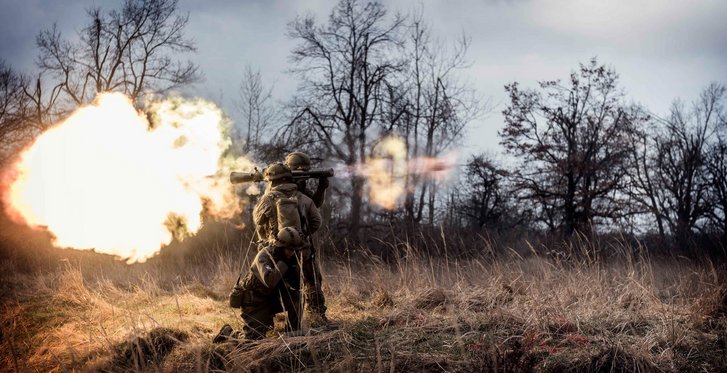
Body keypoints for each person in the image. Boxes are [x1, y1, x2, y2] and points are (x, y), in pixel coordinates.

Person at [214, 227, 306, 342]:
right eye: (289, 249)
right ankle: (229, 333)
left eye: (294, 250)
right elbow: (270, 281)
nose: (291, 253)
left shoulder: (290, 258)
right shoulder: (264, 256)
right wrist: (284, 263)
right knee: (252, 343)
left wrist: (294, 266)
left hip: (272, 298)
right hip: (255, 303)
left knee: (298, 296)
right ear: (280, 246)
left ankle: (293, 334)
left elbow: (297, 285)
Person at [284, 152, 333, 327]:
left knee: (313, 279)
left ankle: (316, 316)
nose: (303, 175)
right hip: (290, 244)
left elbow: (314, 204)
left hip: (298, 243)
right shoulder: (281, 190)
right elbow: (315, 219)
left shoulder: (301, 190)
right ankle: (293, 320)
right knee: (296, 281)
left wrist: (322, 188)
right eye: (299, 171)